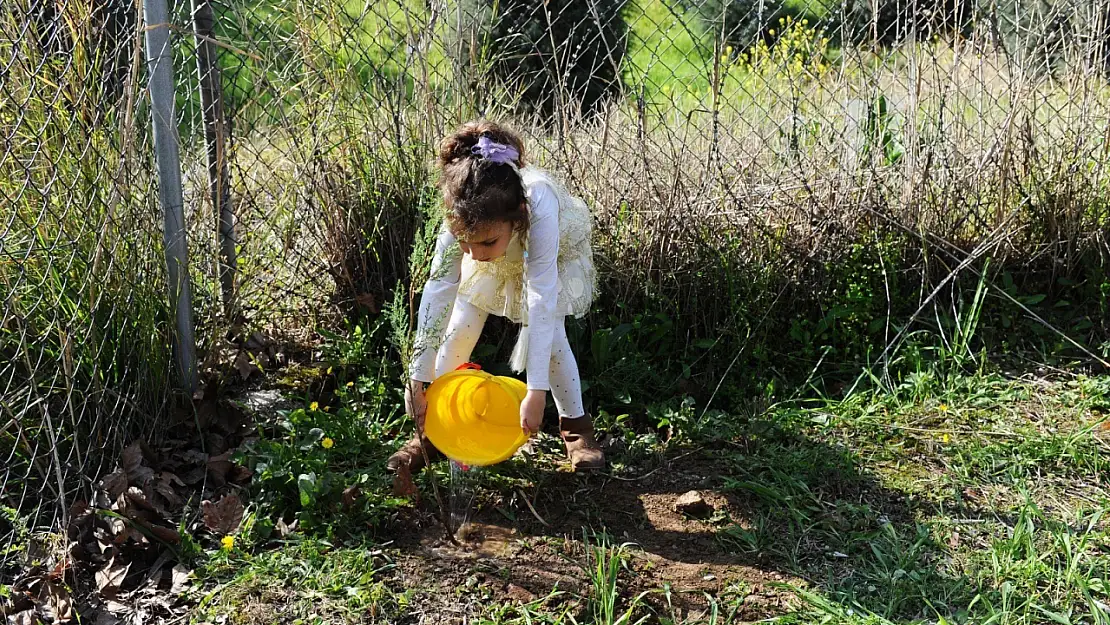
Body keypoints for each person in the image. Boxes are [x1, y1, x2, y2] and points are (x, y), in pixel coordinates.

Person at [387, 120, 604, 492]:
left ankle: (576, 428)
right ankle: (436, 429)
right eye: (464, 243)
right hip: (505, 253)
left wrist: (535, 392)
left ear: (516, 214)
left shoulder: (538, 207)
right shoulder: (465, 222)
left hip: (548, 262)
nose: (473, 254)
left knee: (551, 338)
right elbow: (439, 288)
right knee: (459, 328)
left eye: (484, 242)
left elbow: (540, 295)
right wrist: (418, 377)